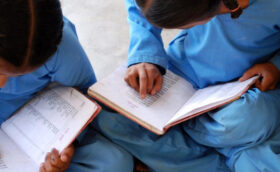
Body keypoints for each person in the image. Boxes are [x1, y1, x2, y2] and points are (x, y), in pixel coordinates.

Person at [92, 0, 280, 171]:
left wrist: (275, 66)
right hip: (180, 76)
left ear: (207, 15)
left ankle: (190, 147)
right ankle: (227, 151)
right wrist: (145, 53)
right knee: (105, 115)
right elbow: (142, 4)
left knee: (247, 119)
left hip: (242, 92)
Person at [0, 0, 133, 172]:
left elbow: (83, 99)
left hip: (37, 124)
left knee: (117, 164)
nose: (2, 83)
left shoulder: (64, 49)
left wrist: (68, 142)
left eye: (16, 75)